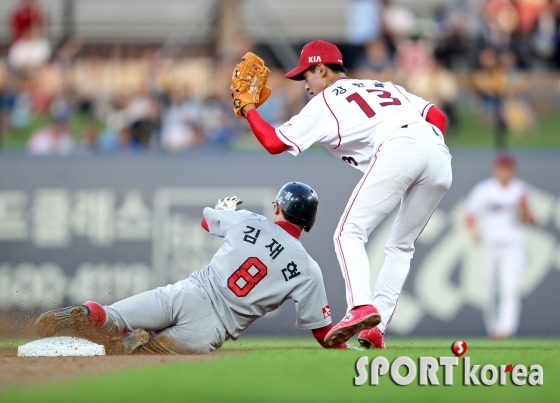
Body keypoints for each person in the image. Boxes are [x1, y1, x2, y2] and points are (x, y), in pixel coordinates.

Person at [233, 40, 452, 349]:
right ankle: (377, 328)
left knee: (348, 233)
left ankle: (361, 307)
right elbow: (437, 117)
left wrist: (250, 109)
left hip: (400, 147)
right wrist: (427, 149)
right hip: (438, 154)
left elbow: (273, 143)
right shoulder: (383, 85)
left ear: (321, 69)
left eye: (306, 75)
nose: (305, 84)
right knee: (401, 247)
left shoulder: (325, 103)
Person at [35, 183, 356, 354]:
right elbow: (323, 333)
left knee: (114, 315)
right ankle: (136, 342)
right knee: (139, 355)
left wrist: (222, 210)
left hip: (189, 292)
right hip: (212, 328)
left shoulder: (250, 220)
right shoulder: (308, 269)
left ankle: (90, 315)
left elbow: (207, 221)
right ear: (309, 222)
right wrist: (348, 346)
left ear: (277, 208)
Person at [464, 153, 535, 340]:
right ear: (496, 169)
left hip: (513, 245)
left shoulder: (520, 190)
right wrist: (474, 232)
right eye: (501, 168)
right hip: (490, 244)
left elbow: (531, 219)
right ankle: (494, 329)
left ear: (513, 170)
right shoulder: (485, 190)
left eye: (508, 168)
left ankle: (507, 328)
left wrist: (524, 210)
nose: (504, 171)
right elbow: (469, 214)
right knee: (489, 288)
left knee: (509, 287)